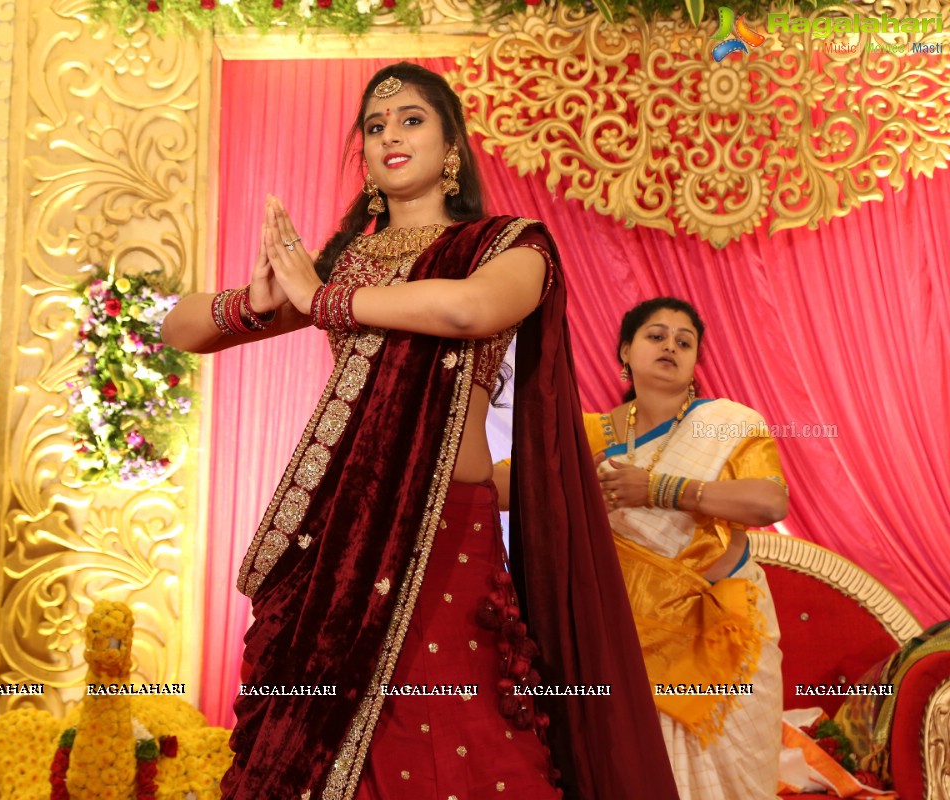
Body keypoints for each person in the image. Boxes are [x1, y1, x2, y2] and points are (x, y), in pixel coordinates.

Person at [162, 62, 679, 800]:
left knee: (458, 736)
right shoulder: (343, 266)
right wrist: (259, 299)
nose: (388, 136)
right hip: (338, 537)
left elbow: (468, 311)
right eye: (374, 127)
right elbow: (178, 325)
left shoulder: (508, 246)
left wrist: (327, 301)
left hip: (447, 534)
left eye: (410, 120)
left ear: (453, 148)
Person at [584, 296, 787, 799]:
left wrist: (656, 488)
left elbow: (768, 502)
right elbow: (508, 487)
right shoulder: (588, 433)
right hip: (631, 639)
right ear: (625, 351)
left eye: (684, 340)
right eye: (656, 336)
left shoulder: (726, 422)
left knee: (738, 781)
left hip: (724, 631)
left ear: (696, 361)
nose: (670, 346)